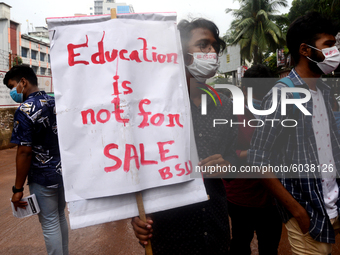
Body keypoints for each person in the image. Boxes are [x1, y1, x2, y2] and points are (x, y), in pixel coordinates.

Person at [131, 18, 238, 254]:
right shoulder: (153, 109)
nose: (211, 52)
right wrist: (135, 217)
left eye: (215, 47)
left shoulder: (225, 106)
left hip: (216, 230)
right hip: (169, 234)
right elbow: (138, 167)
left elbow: (234, 158)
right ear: (180, 52)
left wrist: (228, 165)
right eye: (203, 45)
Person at [248, 12, 340, 255]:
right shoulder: (283, 95)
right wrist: (296, 211)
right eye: (328, 46)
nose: (334, 52)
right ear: (305, 50)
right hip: (307, 210)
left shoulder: (325, 91)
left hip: (331, 203)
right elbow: (257, 159)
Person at [4, 65, 68, 255]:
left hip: (42, 177)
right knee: (59, 217)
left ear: (23, 82)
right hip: (62, 173)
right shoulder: (55, 102)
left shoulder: (24, 110)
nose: (13, 92)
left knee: (49, 223)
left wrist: (17, 189)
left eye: (12, 86)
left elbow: (24, 152)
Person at [223, 64, 282, 255]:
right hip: (241, 195)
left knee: (270, 247)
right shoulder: (229, 113)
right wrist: (256, 153)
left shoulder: (279, 113)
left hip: (273, 195)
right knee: (240, 243)